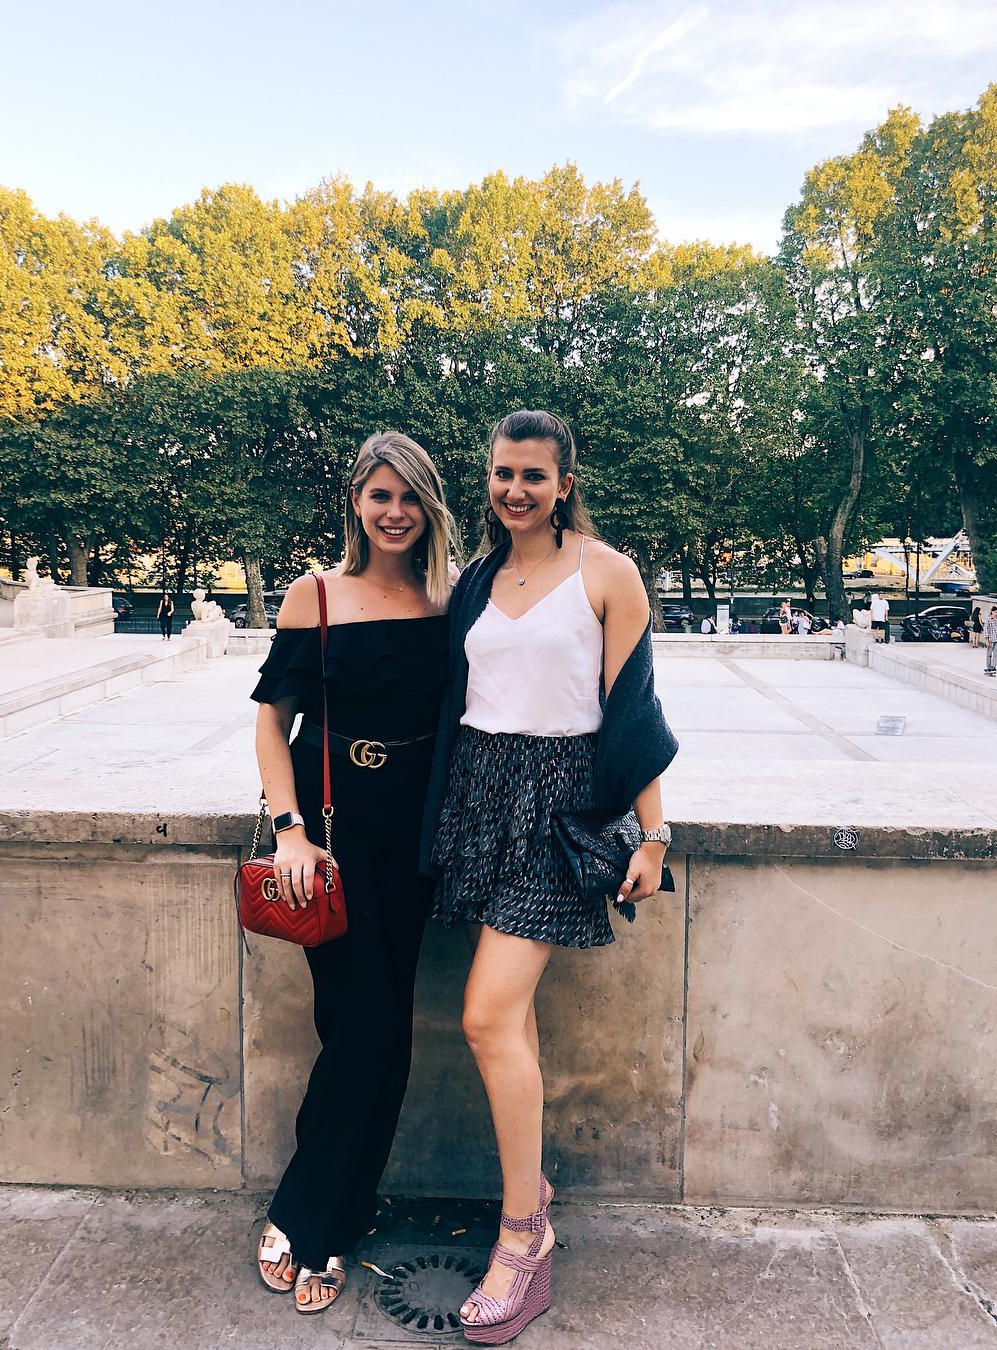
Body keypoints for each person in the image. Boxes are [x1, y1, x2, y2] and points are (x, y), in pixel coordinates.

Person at [422, 410, 678, 1343]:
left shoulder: (607, 573)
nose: (515, 490)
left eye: (534, 475)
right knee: (513, 1019)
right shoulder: (475, 579)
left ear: (564, 483)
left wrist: (653, 836)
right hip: (478, 798)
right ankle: (533, 1192)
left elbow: (633, 712)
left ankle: (523, 1239)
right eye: (503, 473)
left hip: (560, 808)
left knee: (485, 1017)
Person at [250, 432, 456, 1313]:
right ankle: (311, 1214)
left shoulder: (453, 597)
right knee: (360, 1028)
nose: (395, 512)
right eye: (380, 495)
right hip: (332, 836)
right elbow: (272, 722)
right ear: (356, 503)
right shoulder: (317, 594)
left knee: (386, 1030)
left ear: (430, 505)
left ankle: (334, 1211)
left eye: (409, 496)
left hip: (419, 834)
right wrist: (289, 831)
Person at [984, 605, 997, 678]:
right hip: (990, 640)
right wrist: (986, 640)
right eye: (995, 612)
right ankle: (988, 667)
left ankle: (993, 667)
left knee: (996, 654)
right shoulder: (988, 620)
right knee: (989, 655)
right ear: (992, 612)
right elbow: (986, 630)